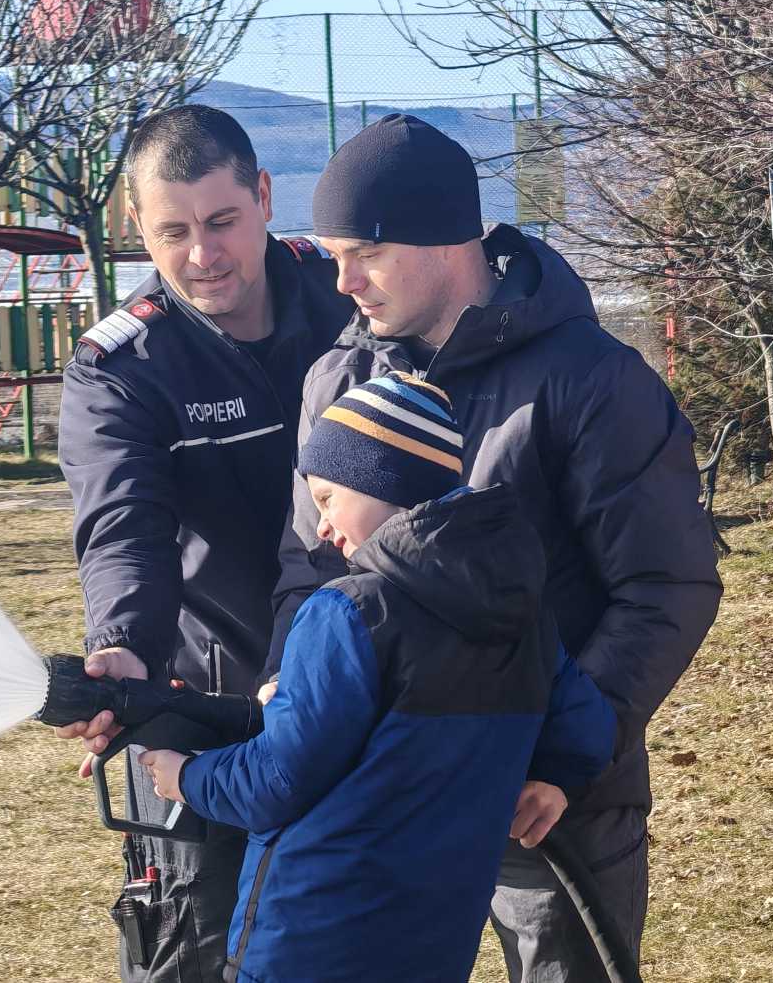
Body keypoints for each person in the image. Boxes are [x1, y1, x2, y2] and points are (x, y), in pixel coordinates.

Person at [274, 114, 723, 980]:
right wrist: (299, 695)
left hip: (549, 804)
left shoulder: (592, 380)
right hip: (381, 794)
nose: (343, 282)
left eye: (362, 251)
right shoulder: (337, 376)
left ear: (445, 239)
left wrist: (564, 755)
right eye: (331, 255)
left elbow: (666, 585)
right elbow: (310, 567)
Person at [140, 373, 615, 982]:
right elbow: (586, 724)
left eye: (328, 498)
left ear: (382, 479)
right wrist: (555, 780)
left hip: (314, 942)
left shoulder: (349, 612)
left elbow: (278, 780)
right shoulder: (520, 609)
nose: (324, 529)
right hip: (435, 945)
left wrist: (186, 776)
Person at [54, 104, 353, 981]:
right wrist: (122, 647)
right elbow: (122, 526)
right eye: (173, 231)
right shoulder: (122, 367)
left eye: (223, 221)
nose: (203, 254)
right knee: (192, 944)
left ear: (264, 196)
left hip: (361, 679)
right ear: (135, 226)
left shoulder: (349, 300)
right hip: (205, 700)